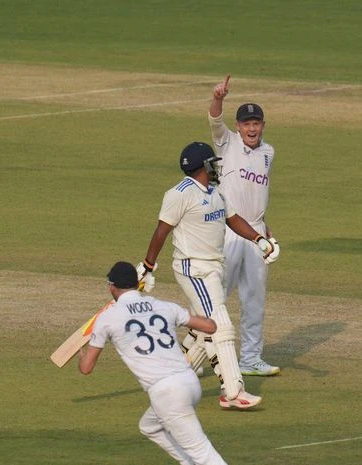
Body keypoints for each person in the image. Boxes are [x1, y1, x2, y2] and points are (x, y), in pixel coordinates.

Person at [136, 141, 279, 409]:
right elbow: (161, 231)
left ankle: (172, 375)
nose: (216, 167)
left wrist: (259, 239)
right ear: (202, 166)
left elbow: (233, 220)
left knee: (203, 331)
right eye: (212, 163)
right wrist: (147, 265)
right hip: (193, 268)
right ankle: (233, 392)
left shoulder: (217, 192)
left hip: (214, 268)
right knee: (220, 326)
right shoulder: (179, 194)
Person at [79, 261, 228, 465]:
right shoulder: (163, 306)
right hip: (190, 382)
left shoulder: (107, 318)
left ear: (111, 286)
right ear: (136, 284)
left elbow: (86, 368)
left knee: (203, 453)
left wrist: (81, 357)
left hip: (166, 392)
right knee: (150, 426)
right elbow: (210, 327)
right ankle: (187, 462)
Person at [208, 75, 280, 376]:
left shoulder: (268, 153)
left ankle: (250, 359)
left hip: (256, 232)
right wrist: (219, 98)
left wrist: (265, 226)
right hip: (229, 231)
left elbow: (257, 192)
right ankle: (203, 356)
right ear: (238, 127)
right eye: (246, 124)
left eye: (256, 123)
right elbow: (214, 120)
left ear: (262, 125)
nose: (251, 128)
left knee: (254, 300)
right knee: (215, 297)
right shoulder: (227, 143)